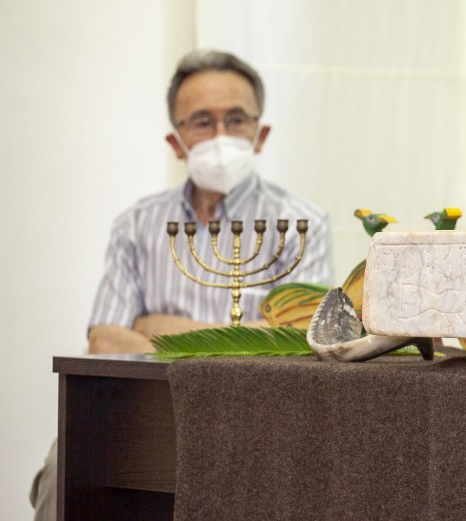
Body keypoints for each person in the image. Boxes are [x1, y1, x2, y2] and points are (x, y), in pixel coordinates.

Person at [30, 49, 335, 520]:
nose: (220, 136)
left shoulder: (303, 225)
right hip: (140, 418)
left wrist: (155, 327)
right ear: (176, 141)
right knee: (64, 470)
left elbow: (295, 345)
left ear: (261, 133)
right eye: (201, 122)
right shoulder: (137, 224)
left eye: (235, 119)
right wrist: (240, 334)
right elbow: (105, 340)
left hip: (254, 422)